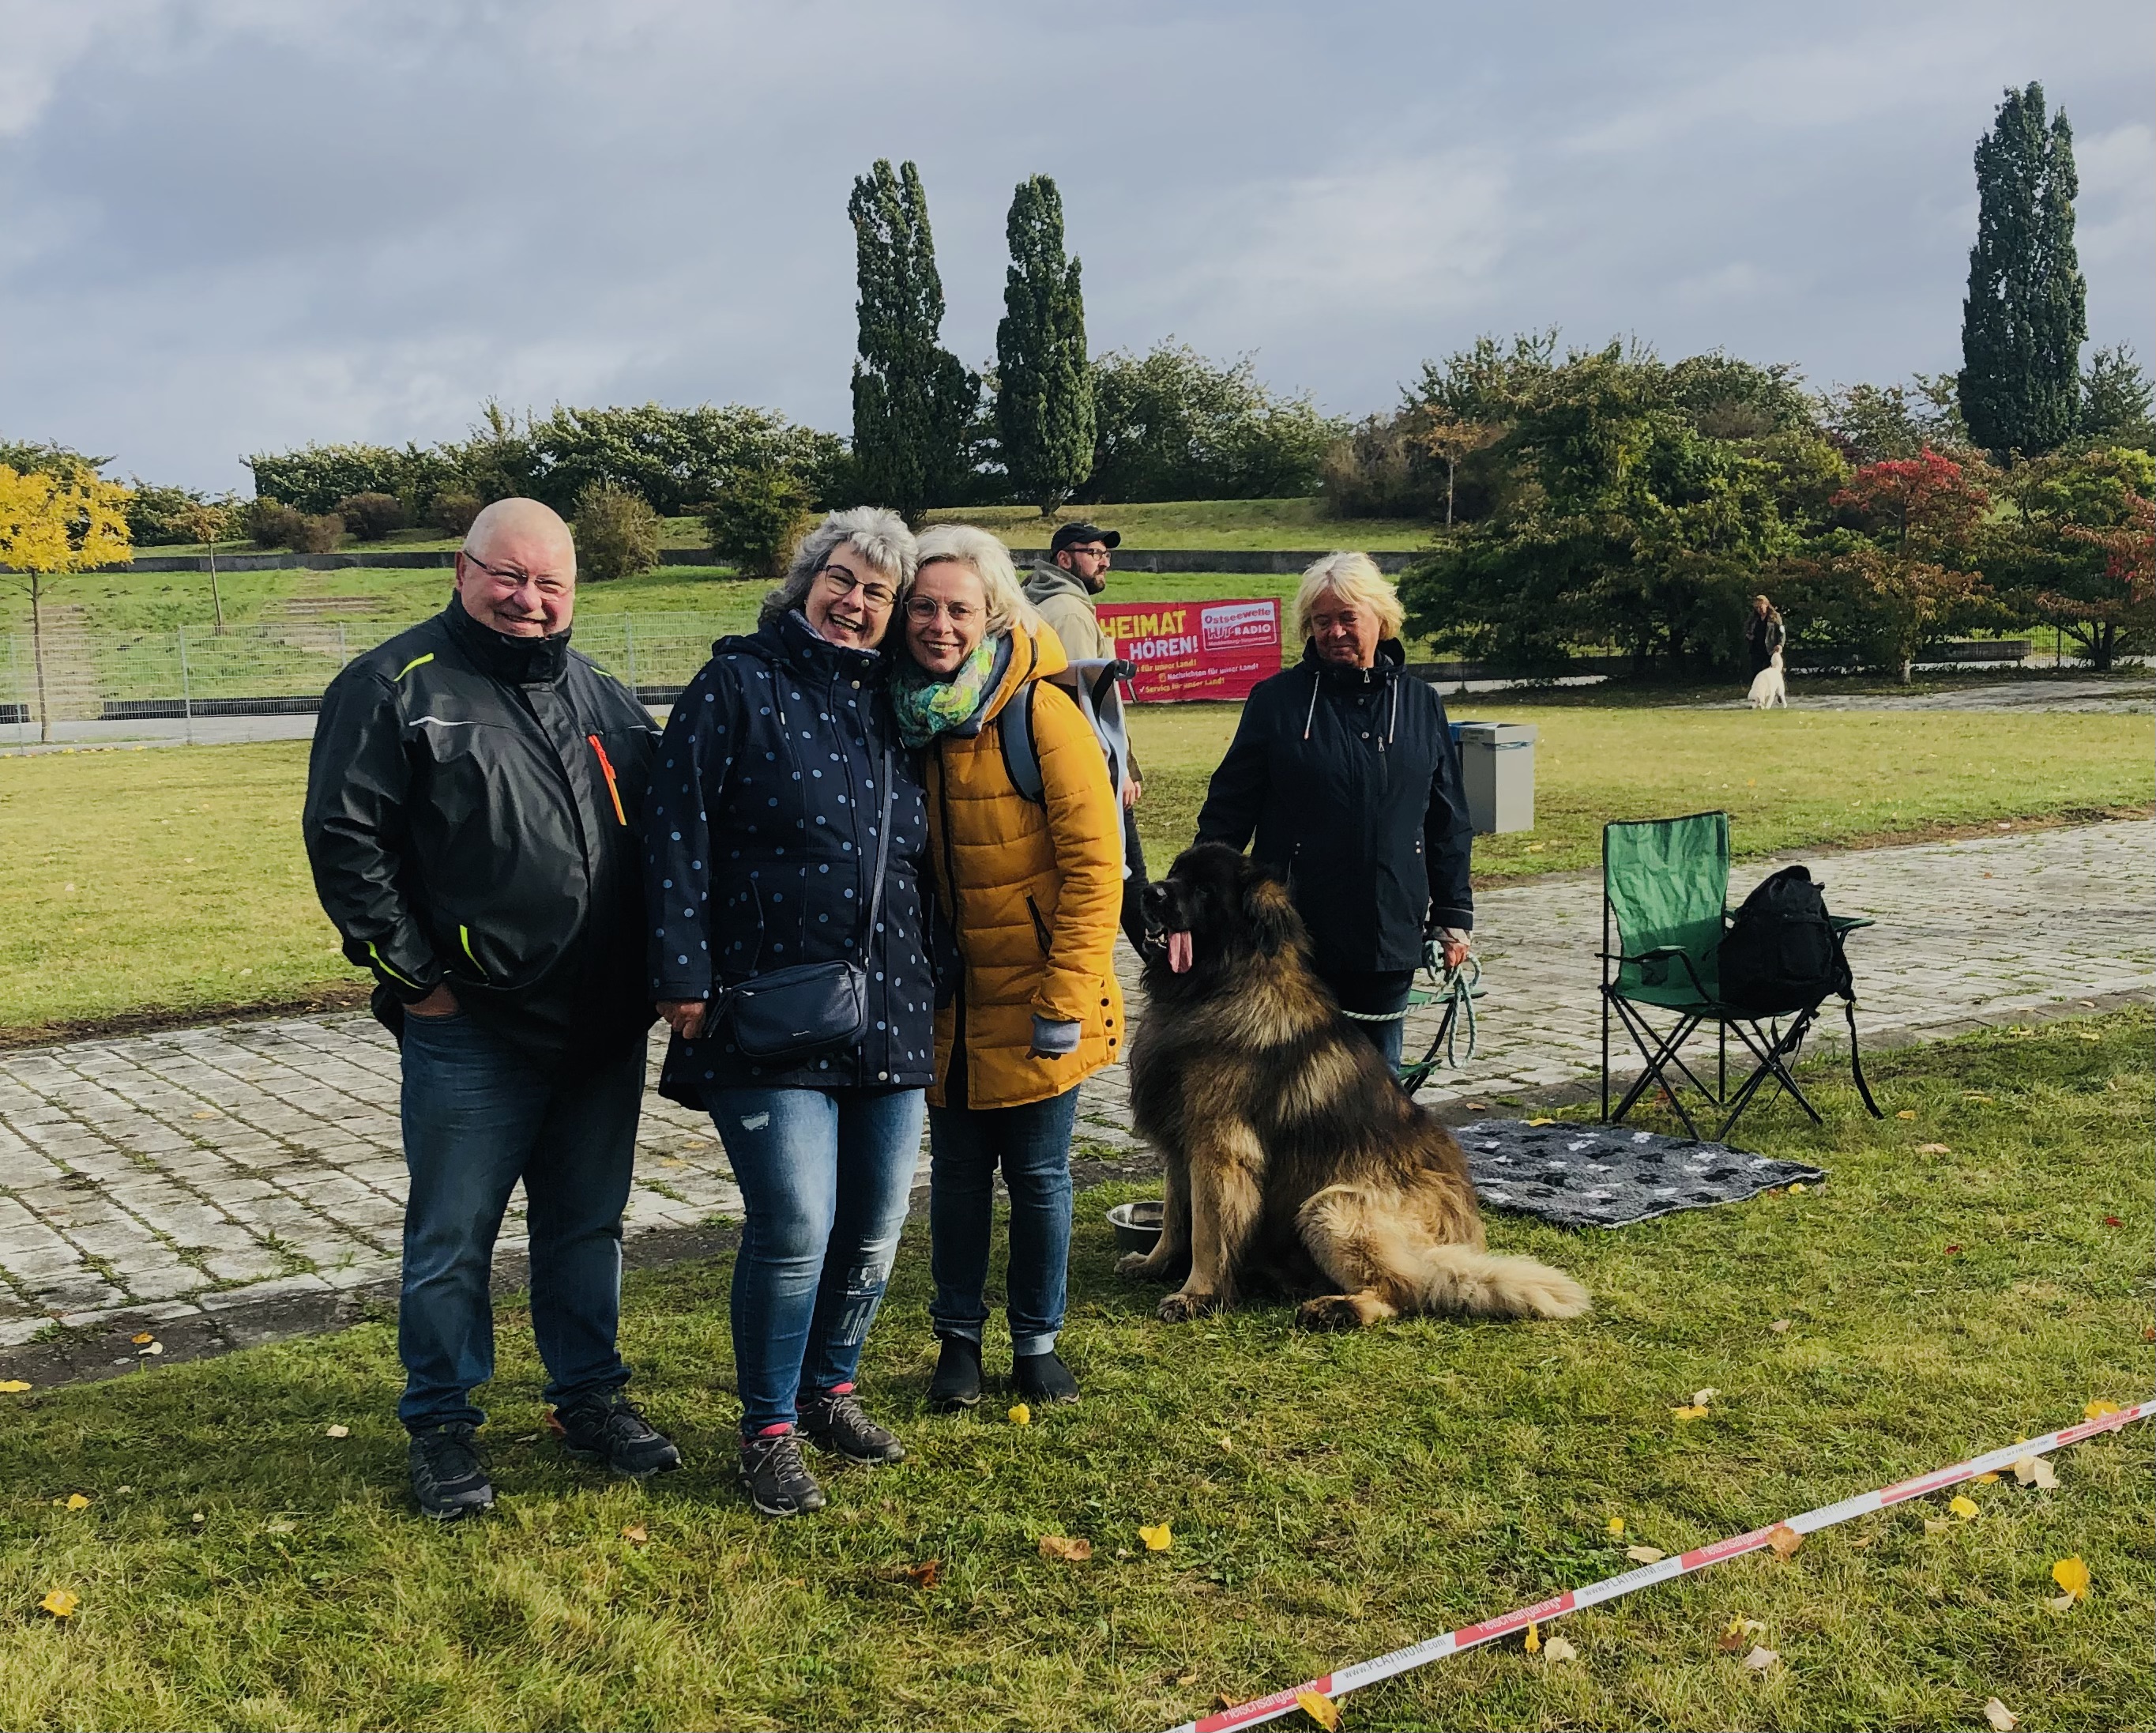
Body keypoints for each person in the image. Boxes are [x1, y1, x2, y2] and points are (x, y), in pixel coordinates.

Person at [303, 497, 679, 1524]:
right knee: (452, 1238)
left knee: (586, 1227)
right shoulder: (394, 687)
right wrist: (418, 980)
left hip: (599, 1027)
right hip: (472, 1026)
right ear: (462, 571)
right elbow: (346, 843)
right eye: (507, 576)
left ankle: (588, 1396)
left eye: (549, 582)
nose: (528, 599)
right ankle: (441, 1425)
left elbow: (660, 838)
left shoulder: (604, 697)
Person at [644, 507, 932, 1520]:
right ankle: (767, 1428)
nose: (855, 603)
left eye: (877, 593)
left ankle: (829, 1390)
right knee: (797, 1220)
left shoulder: (900, 709)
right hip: (764, 1003)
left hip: (889, 1007)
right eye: (841, 579)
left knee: (876, 1224)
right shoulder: (736, 684)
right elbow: (674, 829)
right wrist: (679, 973)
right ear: (807, 579)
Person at [899, 525, 1123, 1411]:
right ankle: (957, 1338)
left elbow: (1095, 866)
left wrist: (1065, 995)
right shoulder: (900, 713)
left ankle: (1037, 1340)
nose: (940, 625)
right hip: (944, 1002)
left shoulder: (1040, 713)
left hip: (1037, 997)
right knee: (956, 1183)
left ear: (992, 613)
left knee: (1037, 1180)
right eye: (923, 607)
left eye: (958, 608)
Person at [1195, 552, 1473, 1072]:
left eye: (1348, 617)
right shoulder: (1275, 701)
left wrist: (1453, 918)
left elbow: (1447, 822)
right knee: (1287, 1081)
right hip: (1292, 932)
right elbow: (1227, 811)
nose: (1335, 632)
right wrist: (1199, 899)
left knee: (1376, 1084)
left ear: (1380, 618)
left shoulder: (1421, 704)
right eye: (1321, 621)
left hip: (1388, 928)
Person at [1022, 522, 1152, 951]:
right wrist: (1119, 771)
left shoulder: (1043, 601)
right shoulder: (1069, 611)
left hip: (1057, 767)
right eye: (1094, 553)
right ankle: (1170, 971)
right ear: (1064, 559)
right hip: (1090, 771)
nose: (1104, 562)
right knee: (1125, 880)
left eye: (1106, 554)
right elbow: (1087, 701)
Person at [1745, 594, 1785, 680]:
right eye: (1756, 608)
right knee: (1756, 675)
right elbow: (1747, 630)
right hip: (1756, 651)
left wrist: (1780, 645)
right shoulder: (1753, 618)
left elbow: (1782, 632)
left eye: (1760, 607)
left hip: (1770, 650)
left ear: (1766, 604)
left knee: (1770, 674)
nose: (1759, 610)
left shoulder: (1775, 617)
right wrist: (1748, 635)